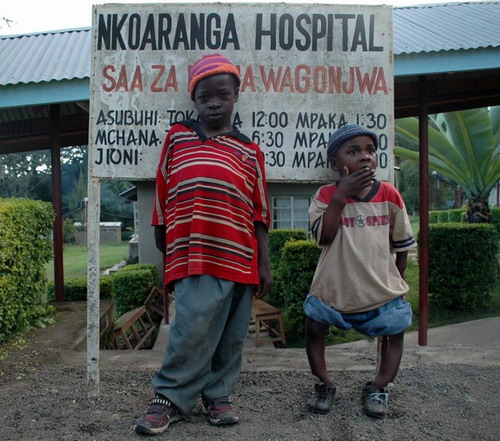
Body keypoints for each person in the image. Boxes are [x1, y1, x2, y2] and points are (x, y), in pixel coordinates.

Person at [135, 53, 272, 435]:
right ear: (193, 101)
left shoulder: (249, 151)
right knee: (191, 328)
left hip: (240, 254)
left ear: (235, 96)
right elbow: (162, 192)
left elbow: (259, 211)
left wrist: (265, 262)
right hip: (192, 251)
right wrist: (165, 240)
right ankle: (170, 398)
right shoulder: (177, 137)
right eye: (204, 97)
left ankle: (218, 394)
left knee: (231, 334)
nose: (214, 102)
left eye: (222, 95)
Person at [303, 124, 416, 419]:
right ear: (335, 163)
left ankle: (379, 386)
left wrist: (399, 275)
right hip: (332, 290)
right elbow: (323, 237)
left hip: (379, 290)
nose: (364, 157)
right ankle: (324, 384)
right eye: (354, 151)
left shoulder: (390, 195)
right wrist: (341, 196)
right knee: (314, 331)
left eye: (369, 150)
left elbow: (402, 243)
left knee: (395, 333)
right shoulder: (326, 195)